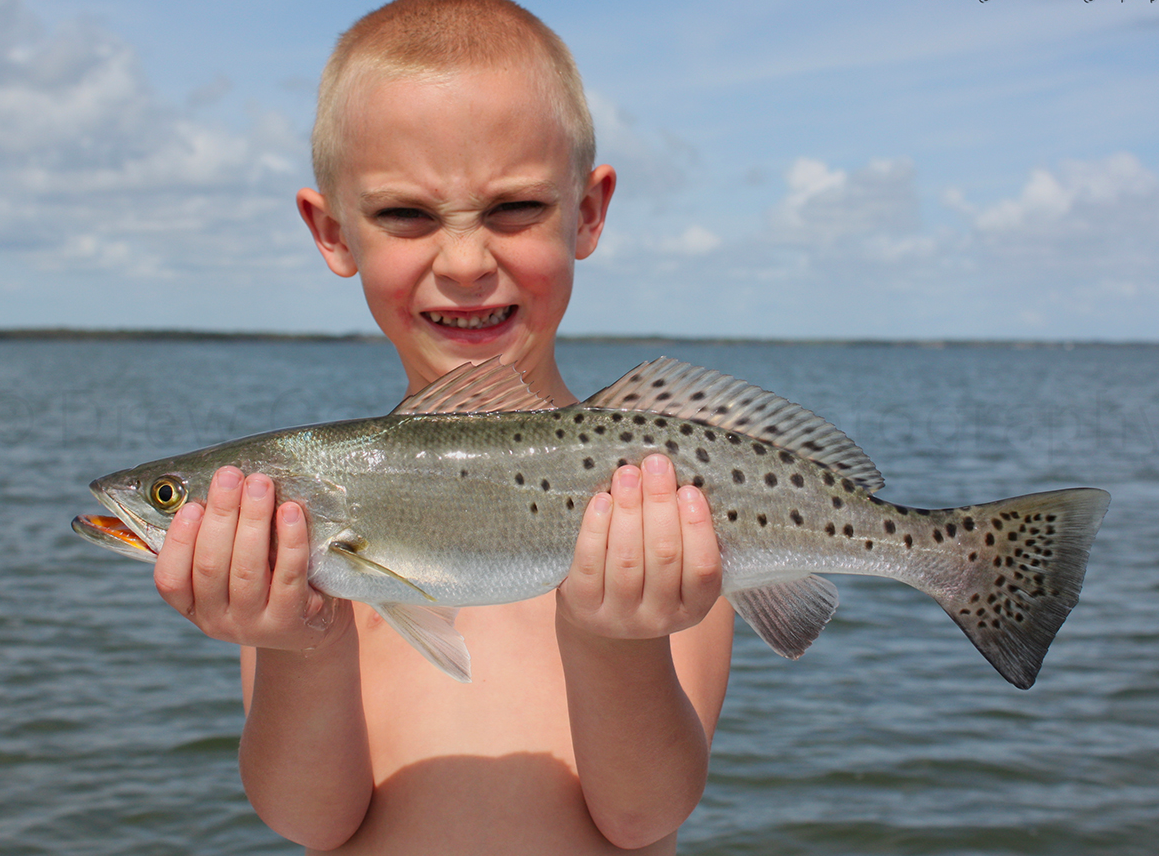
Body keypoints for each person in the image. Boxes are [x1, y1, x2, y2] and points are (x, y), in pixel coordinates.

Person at [152, 1, 735, 853]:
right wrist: (302, 642)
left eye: (515, 208)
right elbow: (312, 819)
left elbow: (641, 816)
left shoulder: (664, 491)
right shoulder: (296, 521)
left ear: (588, 211)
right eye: (407, 215)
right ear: (330, 231)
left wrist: (614, 640)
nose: (465, 263)